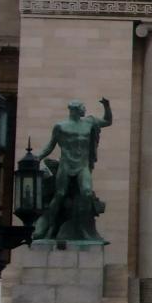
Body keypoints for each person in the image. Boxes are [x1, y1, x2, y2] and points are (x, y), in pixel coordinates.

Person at [33, 98, 113, 242]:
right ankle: (50, 227)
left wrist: (107, 106)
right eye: (82, 107)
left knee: (87, 192)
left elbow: (107, 121)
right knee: (60, 194)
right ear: (75, 110)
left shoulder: (89, 122)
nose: (85, 110)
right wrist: (38, 157)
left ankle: (83, 228)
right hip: (66, 165)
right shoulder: (61, 126)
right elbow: (51, 145)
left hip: (82, 165)